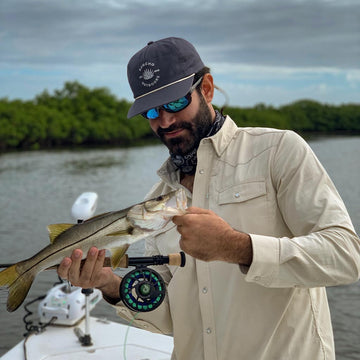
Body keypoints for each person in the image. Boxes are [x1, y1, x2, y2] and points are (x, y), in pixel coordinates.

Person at [57, 37, 360, 360]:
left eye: (174, 102)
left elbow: (345, 256)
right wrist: (111, 285)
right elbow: (170, 316)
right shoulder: (156, 203)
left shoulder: (279, 152)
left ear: (207, 89)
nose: (165, 120)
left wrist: (238, 247)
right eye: (150, 110)